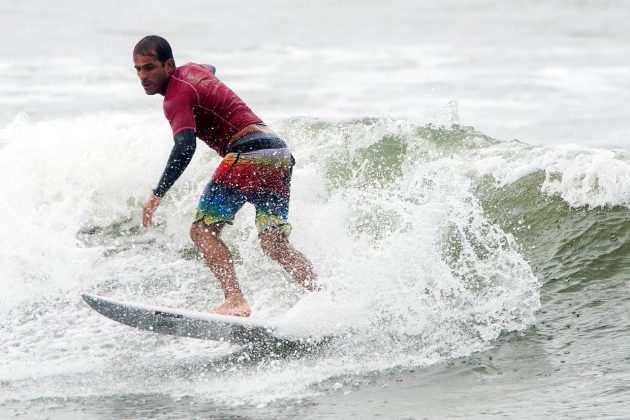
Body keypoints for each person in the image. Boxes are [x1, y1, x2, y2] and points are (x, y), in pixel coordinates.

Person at [132, 35, 317, 317]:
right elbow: (211, 67)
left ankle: (235, 300)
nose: (143, 76)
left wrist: (158, 193)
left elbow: (185, 146)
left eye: (149, 67)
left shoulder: (174, 98)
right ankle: (324, 293)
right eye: (138, 70)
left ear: (169, 65)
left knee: (202, 231)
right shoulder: (195, 69)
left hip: (249, 153)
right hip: (278, 153)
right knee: (273, 242)